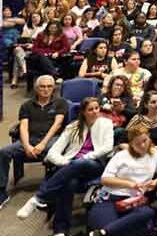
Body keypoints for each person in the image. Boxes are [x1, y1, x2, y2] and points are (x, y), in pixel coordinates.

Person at [16, 98, 113, 234]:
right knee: (69, 184)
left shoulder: (106, 123)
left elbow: (107, 147)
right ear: (83, 112)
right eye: (91, 109)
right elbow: (52, 153)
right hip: (72, 167)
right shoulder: (73, 127)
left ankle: (39, 198)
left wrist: (85, 157)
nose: (95, 112)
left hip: (95, 165)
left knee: (80, 164)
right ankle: (60, 230)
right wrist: (66, 163)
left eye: (97, 108)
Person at [86, 124, 157, 236]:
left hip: (134, 201)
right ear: (131, 144)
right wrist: (130, 184)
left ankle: (103, 232)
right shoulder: (121, 156)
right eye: (137, 143)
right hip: (110, 198)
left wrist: (156, 182)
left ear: (149, 137)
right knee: (127, 229)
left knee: (148, 212)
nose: (143, 145)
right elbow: (105, 179)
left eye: (145, 140)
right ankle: (105, 231)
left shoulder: (155, 154)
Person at [0, 75, 68, 208]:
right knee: (3, 152)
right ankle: (1, 191)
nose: (46, 89)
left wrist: (43, 144)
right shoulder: (26, 105)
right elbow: (23, 127)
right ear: (36, 88)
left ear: (53, 88)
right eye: (42, 86)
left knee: (53, 152)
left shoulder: (60, 102)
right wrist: (27, 146)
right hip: (30, 139)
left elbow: (57, 125)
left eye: (49, 86)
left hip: (51, 139)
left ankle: (48, 192)